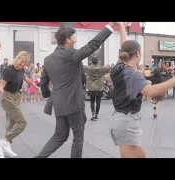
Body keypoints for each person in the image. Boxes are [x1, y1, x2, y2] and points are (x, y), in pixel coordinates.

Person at [109, 22, 175, 158]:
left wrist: (121, 26)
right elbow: (151, 91)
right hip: (126, 121)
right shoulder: (132, 73)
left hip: (123, 120)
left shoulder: (120, 67)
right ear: (137, 53)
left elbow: (124, 45)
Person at [35, 22, 116, 158]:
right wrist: (111, 25)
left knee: (60, 135)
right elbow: (94, 44)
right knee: (78, 138)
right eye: (74, 37)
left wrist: (49, 95)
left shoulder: (48, 59)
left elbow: (43, 84)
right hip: (73, 104)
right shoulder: (71, 55)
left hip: (59, 104)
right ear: (67, 40)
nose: (75, 40)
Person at [0, 51, 38, 158]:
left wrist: (33, 84)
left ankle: (6, 147)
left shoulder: (21, 69)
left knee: (11, 122)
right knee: (22, 122)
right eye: (22, 61)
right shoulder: (8, 70)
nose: (22, 64)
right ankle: (5, 141)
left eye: (25, 63)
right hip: (7, 98)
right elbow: (2, 83)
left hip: (17, 96)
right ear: (17, 58)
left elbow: (25, 78)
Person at [85, 56, 107, 121]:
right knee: (98, 102)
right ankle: (96, 114)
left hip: (91, 87)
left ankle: (93, 113)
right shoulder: (102, 68)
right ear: (98, 61)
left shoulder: (89, 68)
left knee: (92, 101)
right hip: (99, 87)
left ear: (91, 61)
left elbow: (87, 74)